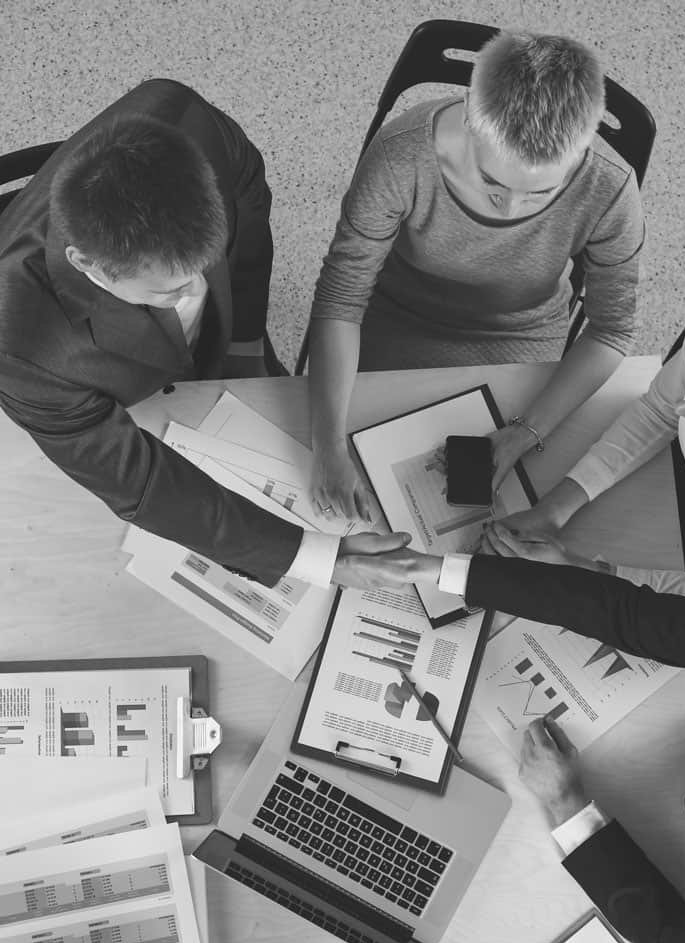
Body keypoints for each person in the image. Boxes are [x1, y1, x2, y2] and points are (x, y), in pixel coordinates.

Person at [0, 78, 414, 593]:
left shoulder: (180, 115)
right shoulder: (21, 351)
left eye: (201, 266)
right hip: (128, 398)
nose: (194, 290)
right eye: (169, 290)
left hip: (222, 354)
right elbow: (144, 484)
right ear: (88, 265)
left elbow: (251, 196)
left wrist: (244, 340)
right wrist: (323, 561)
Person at [399, 549, 685, 943]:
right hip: (667, 730)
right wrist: (445, 572)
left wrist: (569, 805)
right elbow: (635, 615)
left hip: (684, 838)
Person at [308, 30, 645, 522]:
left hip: (523, 339)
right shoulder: (402, 154)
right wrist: (327, 445)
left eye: (538, 194)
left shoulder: (610, 189)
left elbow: (613, 329)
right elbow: (341, 297)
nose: (509, 207)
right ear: (469, 116)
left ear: (583, 149)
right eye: (492, 181)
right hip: (392, 322)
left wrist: (527, 430)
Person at [488, 297, 685, 619]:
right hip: (666, 485)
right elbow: (657, 411)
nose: (681, 410)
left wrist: (580, 569)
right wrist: (553, 510)